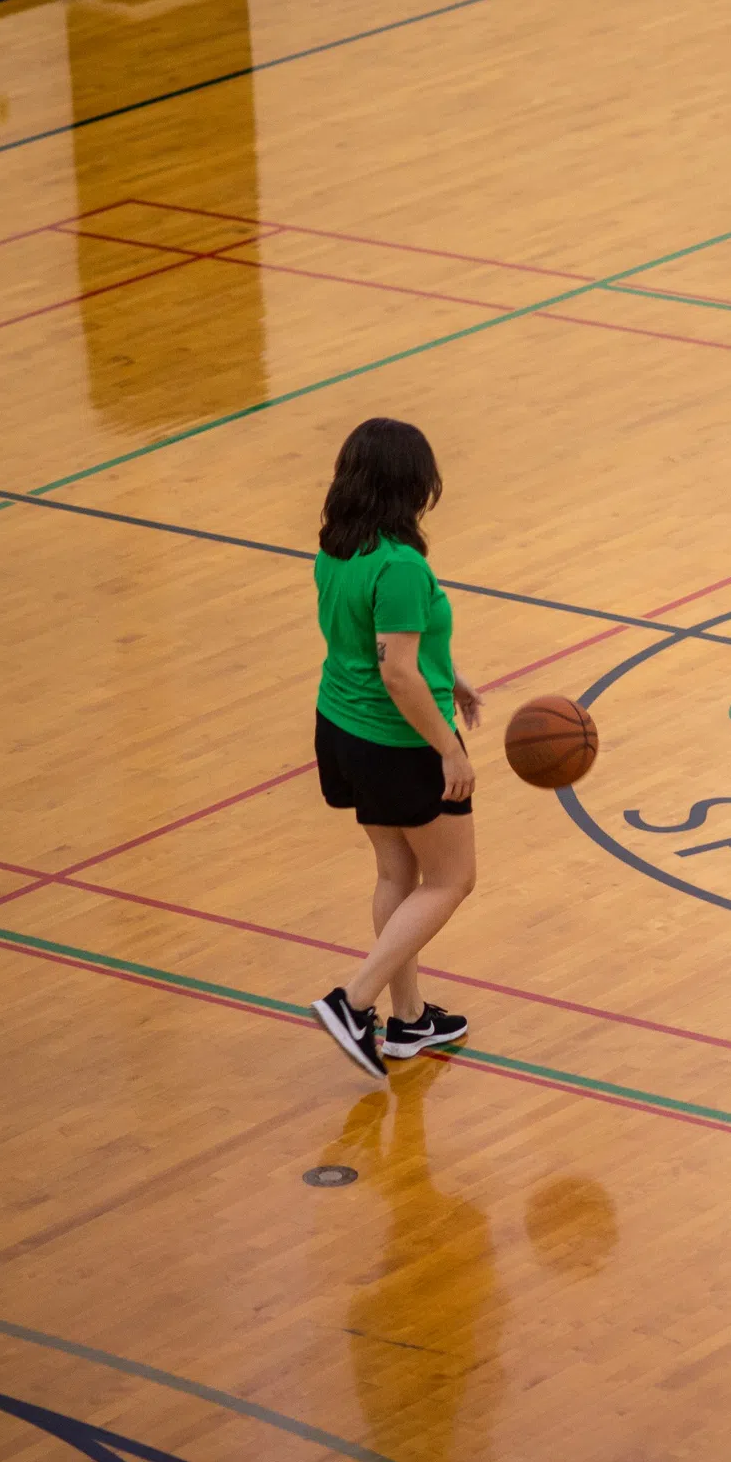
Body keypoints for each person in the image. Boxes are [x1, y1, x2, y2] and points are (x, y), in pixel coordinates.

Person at [307, 417, 482, 1077]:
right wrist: (450, 750)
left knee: (395, 874)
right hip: (399, 739)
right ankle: (354, 1002)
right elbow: (398, 671)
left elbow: (373, 642)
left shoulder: (338, 547)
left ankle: (409, 1020)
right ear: (415, 484)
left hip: (343, 726)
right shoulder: (402, 566)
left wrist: (453, 676)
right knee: (451, 879)